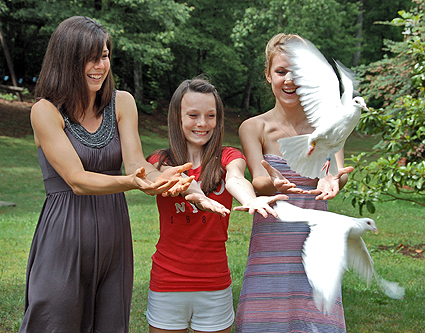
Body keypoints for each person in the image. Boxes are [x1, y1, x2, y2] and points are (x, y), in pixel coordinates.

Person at [19, 16, 194, 333]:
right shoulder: (44, 110)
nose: (100, 65)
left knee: (109, 323)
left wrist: (164, 178)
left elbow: (137, 164)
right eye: (91, 57)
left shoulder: (122, 102)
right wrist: (131, 183)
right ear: (68, 59)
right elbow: (76, 179)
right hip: (64, 234)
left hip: (114, 232)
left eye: (104, 55)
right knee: (53, 319)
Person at [144, 78, 288, 333]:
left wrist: (250, 199)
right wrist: (198, 194)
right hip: (167, 281)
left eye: (210, 115)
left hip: (214, 283)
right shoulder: (159, 160)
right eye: (193, 115)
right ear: (177, 117)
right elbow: (173, 176)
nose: (202, 123)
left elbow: (235, 178)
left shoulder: (228, 156)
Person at [235, 33, 354, 333]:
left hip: (316, 248)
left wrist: (333, 177)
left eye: (298, 72)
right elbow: (259, 181)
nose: (290, 80)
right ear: (268, 74)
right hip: (270, 249)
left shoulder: (329, 123)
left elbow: (337, 171)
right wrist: (274, 183)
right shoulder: (254, 127)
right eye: (281, 71)